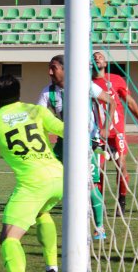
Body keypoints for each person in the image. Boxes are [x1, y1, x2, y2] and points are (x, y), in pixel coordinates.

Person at [0, 74, 64, 272]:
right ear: (19, 92)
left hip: (33, 184)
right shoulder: (35, 110)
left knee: (8, 237)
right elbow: (65, 130)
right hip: (59, 177)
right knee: (42, 213)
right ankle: (52, 269)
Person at [36, 54, 115, 239]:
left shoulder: (83, 85)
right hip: (64, 143)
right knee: (49, 178)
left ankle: (99, 227)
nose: (49, 72)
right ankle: (40, 215)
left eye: (53, 68)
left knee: (90, 185)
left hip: (87, 142)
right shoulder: (47, 92)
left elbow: (111, 101)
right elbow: (37, 116)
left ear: (65, 69)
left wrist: (105, 128)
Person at [91, 51, 138, 215]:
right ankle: (99, 202)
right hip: (97, 133)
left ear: (106, 62)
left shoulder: (116, 79)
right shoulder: (86, 82)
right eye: (94, 57)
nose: (97, 58)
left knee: (121, 166)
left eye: (100, 57)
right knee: (98, 169)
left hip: (117, 132)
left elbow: (129, 101)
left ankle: (121, 201)